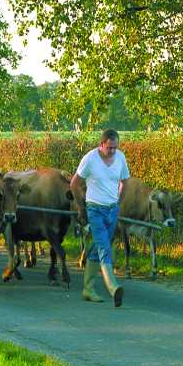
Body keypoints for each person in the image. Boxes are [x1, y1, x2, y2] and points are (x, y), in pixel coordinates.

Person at [70, 129, 130, 307]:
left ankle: (88, 289)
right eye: (110, 148)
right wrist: (81, 206)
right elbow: (74, 183)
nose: (113, 151)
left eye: (115, 147)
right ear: (102, 144)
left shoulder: (120, 157)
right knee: (104, 246)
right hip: (95, 210)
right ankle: (113, 287)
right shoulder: (90, 159)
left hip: (112, 210)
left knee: (97, 248)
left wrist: (118, 202)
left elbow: (125, 181)